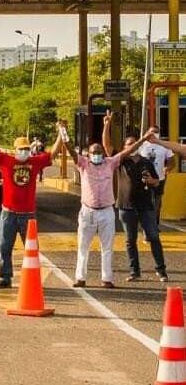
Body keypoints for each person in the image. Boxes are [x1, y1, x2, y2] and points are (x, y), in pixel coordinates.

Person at [62, 112, 149, 288]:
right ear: (89, 154)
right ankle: (80, 277)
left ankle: (107, 279)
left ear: (103, 153)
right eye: (94, 152)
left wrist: (144, 139)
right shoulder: (83, 164)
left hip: (107, 212)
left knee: (107, 247)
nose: (97, 154)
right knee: (83, 246)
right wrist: (63, 131)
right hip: (87, 211)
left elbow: (128, 150)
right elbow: (70, 149)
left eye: (99, 152)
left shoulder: (110, 162)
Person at [0, 124, 62, 289]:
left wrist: (60, 133)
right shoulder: (6, 160)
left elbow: (53, 153)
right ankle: (5, 277)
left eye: (26, 149)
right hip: (8, 213)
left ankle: (33, 278)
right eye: (21, 149)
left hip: (28, 214)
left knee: (32, 247)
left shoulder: (35, 162)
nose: (24, 151)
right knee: (4, 247)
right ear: (15, 150)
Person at [116, 134, 168, 283]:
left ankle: (161, 270)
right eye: (129, 144)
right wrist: (106, 126)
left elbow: (157, 181)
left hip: (146, 206)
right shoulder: (121, 161)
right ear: (124, 147)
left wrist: (151, 180)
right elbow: (107, 146)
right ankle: (135, 271)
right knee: (130, 240)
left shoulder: (146, 162)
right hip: (126, 206)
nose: (133, 146)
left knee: (153, 237)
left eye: (135, 143)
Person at [139, 132, 175, 219]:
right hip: (145, 179)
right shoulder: (142, 145)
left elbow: (172, 162)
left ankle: (154, 222)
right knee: (144, 201)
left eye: (156, 131)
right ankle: (145, 221)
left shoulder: (164, 145)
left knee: (157, 203)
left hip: (160, 179)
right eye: (152, 131)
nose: (154, 134)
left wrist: (167, 168)